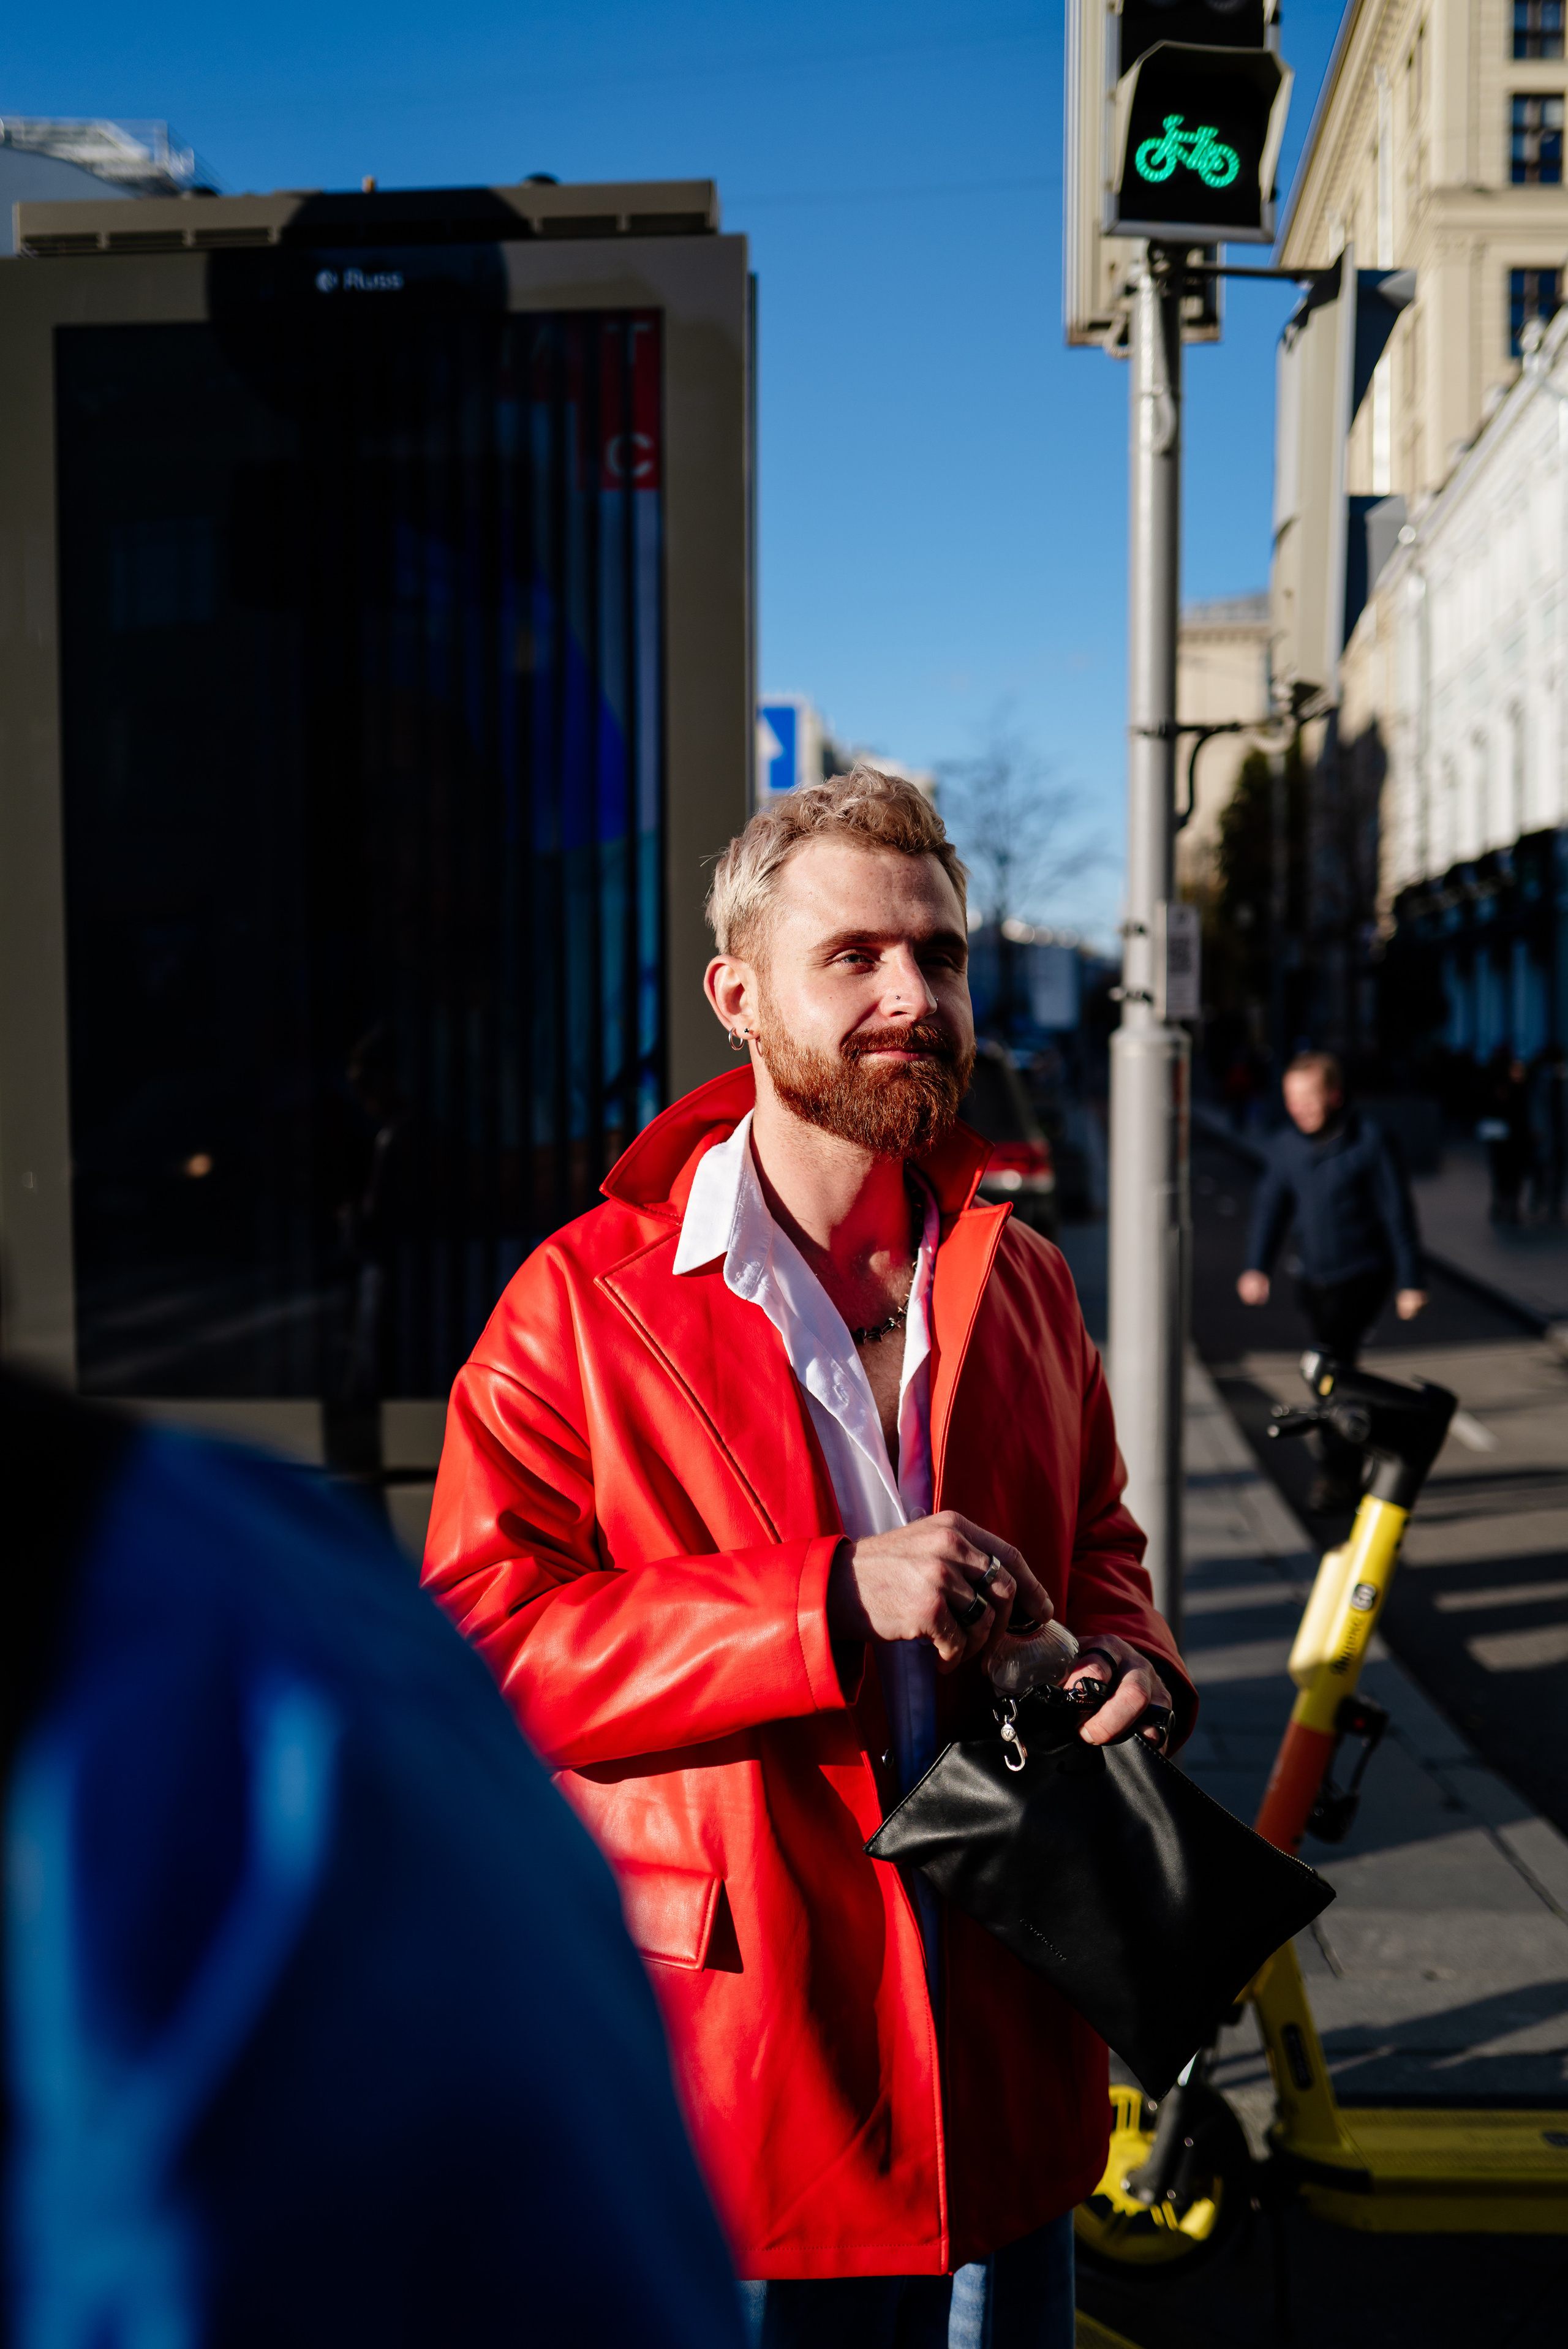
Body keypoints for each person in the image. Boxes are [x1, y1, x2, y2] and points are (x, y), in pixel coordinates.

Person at [423, 766, 1193, 2349]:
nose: (916, 995)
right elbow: (481, 1655)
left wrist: (1128, 1667)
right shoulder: (581, 1304)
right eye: (855, 956)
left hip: (1010, 2062)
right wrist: (826, 1600)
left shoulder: (1024, 1277)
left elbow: (1102, 1543)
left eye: (943, 955)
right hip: (744, 2089)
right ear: (738, 993)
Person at [2, 1368, 745, 2349]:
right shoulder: (259, 1609)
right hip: (757, 2031)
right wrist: (826, 1599)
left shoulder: (243, 1661)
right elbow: (513, 1627)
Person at [1237, 1050, 1428, 1510]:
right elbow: (1271, 1209)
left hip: (1363, 1272)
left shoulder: (1371, 1142)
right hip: (1314, 1278)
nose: (1298, 1107)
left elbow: (1398, 1214)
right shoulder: (1286, 1147)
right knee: (1336, 1369)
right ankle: (1365, 1432)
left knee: (1332, 1368)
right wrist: (1255, 1265)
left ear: (1335, 1095)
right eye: (1291, 1098)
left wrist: (1410, 1281)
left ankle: (1336, 1476)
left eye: (1308, 1097)